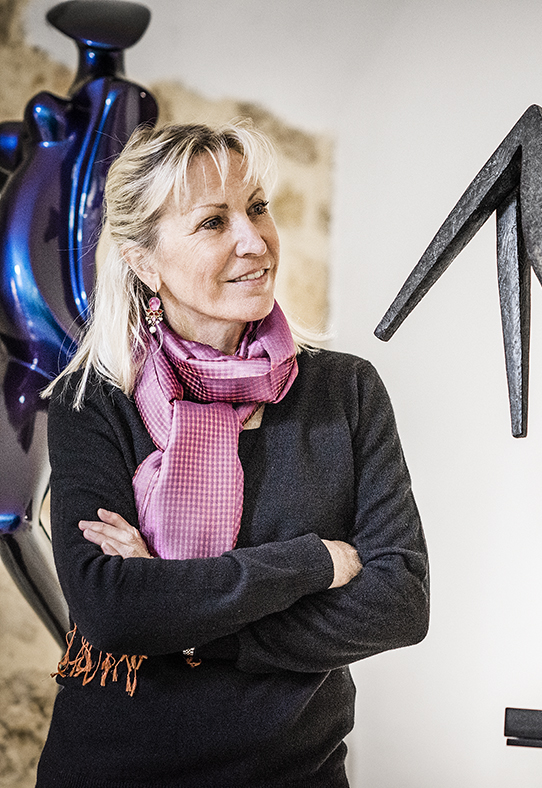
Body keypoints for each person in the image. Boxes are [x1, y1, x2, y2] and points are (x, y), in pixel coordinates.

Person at [36, 121, 429, 786]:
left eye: (257, 208)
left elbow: (399, 602)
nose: (254, 241)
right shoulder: (93, 399)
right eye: (213, 222)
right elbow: (110, 608)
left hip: (296, 773)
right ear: (143, 260)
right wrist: (310, 562)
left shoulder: (344, 389)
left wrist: (190, 625)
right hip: (116, 770)